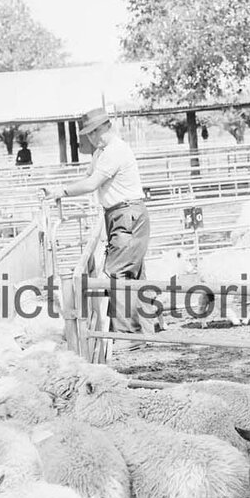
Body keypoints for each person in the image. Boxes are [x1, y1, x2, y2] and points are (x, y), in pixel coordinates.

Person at [44, 107, 158, 350]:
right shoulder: (103, 152)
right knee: (133, 273)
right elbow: (89, 175)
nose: (95, 137)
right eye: (90, 133)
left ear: (108, 126)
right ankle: (149, 331)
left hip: (126, 214)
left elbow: (92, 183)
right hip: (122, 215)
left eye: (97, 130)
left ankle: (128, 337)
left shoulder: (114, 151)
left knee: (116, 274)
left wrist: (61, 191)